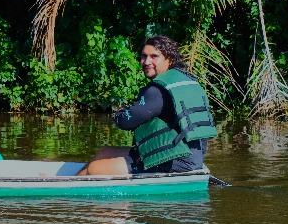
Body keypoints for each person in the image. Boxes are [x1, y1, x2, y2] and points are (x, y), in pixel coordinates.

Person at [80, 35, 218, 176]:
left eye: (154, 56)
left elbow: (126, 122)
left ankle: (65, 194)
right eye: (144, 56)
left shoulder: (157, 91)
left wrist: (118, 114)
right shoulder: (186, 81)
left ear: (169, 59)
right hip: (191, 159)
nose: (146, 61)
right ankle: (68, 184)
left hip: (174, 162)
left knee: (95, 169)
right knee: (105, 152)